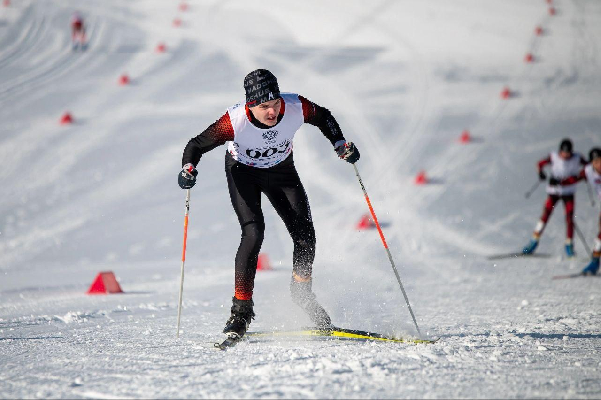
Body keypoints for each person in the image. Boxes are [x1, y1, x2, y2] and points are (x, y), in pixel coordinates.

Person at [178, 69, 360, 339]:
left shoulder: (296, 106)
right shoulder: (234, 121)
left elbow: (324, 116)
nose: (273, 111)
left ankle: (302, 295)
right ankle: (240, 312)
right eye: (265, 106)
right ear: (251, 105)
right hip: (243, 172)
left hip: (281, 172)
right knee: (254, 233)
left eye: (275, 104)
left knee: (305, 237)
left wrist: (339, 143)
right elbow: (196, 144)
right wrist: (188, 168)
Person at [522, 139, 588, 257]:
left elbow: (588, 168)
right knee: (545, 215)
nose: (565, 155)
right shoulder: (554, 157)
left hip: (568, 193)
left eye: (567, 153)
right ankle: (533, 241)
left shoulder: (577, 158)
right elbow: (540, 164)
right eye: (563, 152)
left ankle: (569, 245)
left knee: (569, 217)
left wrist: (574, 178)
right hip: (554, 193)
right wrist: (541, 173)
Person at [551, 148, 601, 274]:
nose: (599, 164)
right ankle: (595, 261)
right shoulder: (588, 171)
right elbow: (574, 179)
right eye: (596, 162)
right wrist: (560, 181)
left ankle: (595, 261)